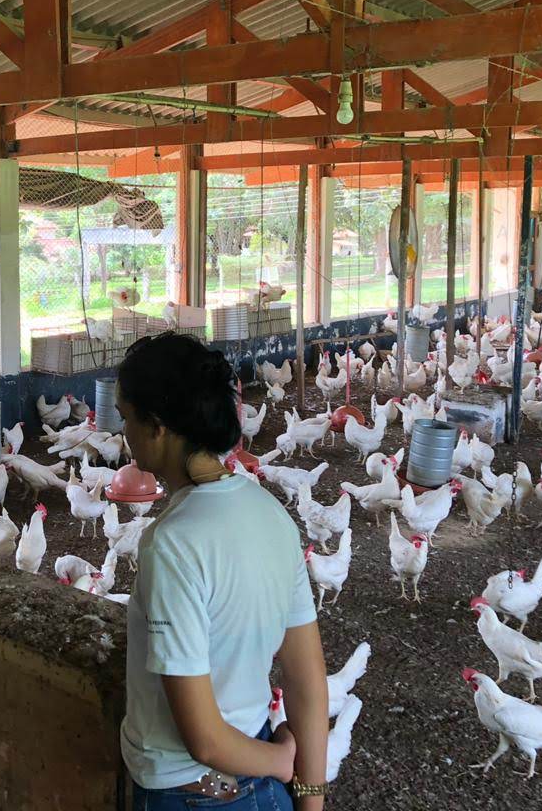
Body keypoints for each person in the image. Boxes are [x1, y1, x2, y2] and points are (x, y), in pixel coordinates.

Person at [115, 333, 330, 811]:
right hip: (264, 789)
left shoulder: (172, 544)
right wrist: (311, 797)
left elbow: (206, 741)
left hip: (189, 792)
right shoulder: (272, 514)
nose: (123, 433)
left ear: (157, 427)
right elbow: (306, 678)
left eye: (126, 417)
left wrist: (281, 763)